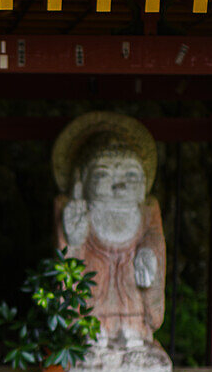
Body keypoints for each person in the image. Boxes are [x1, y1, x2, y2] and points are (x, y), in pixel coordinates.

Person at [54, 115, 166, 349]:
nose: (119, 185)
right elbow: (66, 258)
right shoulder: (74, 209)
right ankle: (88, 329)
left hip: (131, 295)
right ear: (81, 181)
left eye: (131, 175)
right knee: (92, 277)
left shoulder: (147, 209)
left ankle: (135, 329)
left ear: (144, 182)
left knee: (134, 271)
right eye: (103, 174)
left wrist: (149, 253)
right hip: (94, 289)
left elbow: (154, 238)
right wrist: (73, 242)